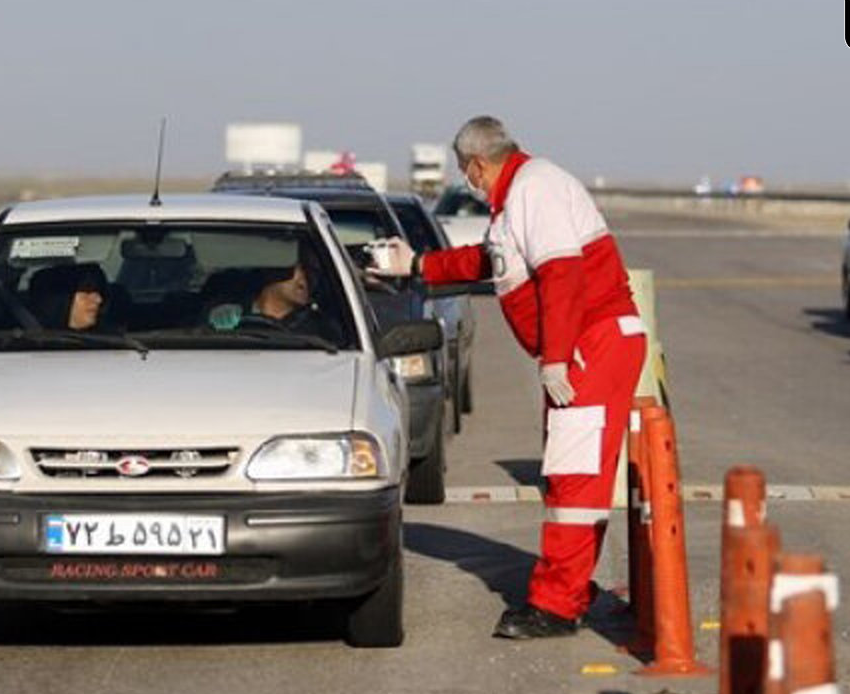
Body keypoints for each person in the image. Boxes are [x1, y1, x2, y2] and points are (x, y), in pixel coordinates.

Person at [369, 116, 647, 639]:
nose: (467, 181)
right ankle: (570, 588)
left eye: (465, 171)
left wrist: (558, 358)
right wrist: (418, 264)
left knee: (573, 479)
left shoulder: (533, 189)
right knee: (571, 473)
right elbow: (488, 260)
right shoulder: (519, 196)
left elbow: (562, 273)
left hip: (591, 344)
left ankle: (557, 605)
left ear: (476, 165)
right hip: (587, 345)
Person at [204, 261, 342, 343]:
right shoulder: (223, 312)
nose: (306, 279)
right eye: (300, 270)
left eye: (314, 271)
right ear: (273, 270)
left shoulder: (321, 330)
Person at [27, 262, 108, 331]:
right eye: (87, 292)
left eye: (99, 292)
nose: (99, 300)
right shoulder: (34, 343)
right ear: (60, 299)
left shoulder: (114, 341)